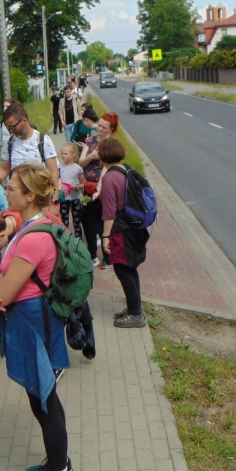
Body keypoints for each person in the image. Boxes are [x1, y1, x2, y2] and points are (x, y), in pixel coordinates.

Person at [0, 164, 77, 471]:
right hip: (40, 319)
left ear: (30, 196)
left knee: (44, 402)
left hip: (33, 324)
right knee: (45, 398)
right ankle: (59, 462)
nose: (6, 191)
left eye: (11, 188)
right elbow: (9, 274)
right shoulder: (39, 223)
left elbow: (4, 295)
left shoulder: (32, 239)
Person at [98, 137, 150, 328]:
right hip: (134, 228)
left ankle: (136, 314)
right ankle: (135, 308)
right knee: (131, 268)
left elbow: (109, 212)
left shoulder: (109, 177)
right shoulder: (126, 170)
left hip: (120, 231)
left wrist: (105, 237)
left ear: (103, 155)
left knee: (122, 270)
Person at [78, 110, 117, 267]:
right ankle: (92, 254)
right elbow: (81, 163)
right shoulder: (91, 141)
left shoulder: (112, 145)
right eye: (99, 125)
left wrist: (100, 188)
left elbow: (108, 167)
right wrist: (91, 157)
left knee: (105, 221)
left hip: (105, 188)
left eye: (104, 127)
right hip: (88, 187)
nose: (100, 129)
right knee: (87, 220)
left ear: (111, 130)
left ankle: (108, 257)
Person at [0, 101, 59, 186]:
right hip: (17, 192)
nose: (11, 131)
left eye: (13, 127)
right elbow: (4, 170)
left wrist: (54, 194)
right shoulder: (9, 142)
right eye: (8, 128)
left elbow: (53, 173)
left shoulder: (43, 141)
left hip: (39, 192)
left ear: (24, 120)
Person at [58, 142, 84, 239]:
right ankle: (66, 238)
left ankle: (78, 239)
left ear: (73, 155)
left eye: (66, 154)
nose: (63, 156)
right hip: (64, 198)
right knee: (64, 221)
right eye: (62, 153)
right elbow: (56, 180)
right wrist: (59, 185)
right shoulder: (59, 167)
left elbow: (83, 183)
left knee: (77, 220)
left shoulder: (78, 168)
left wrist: (77, 187)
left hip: (75, 198)